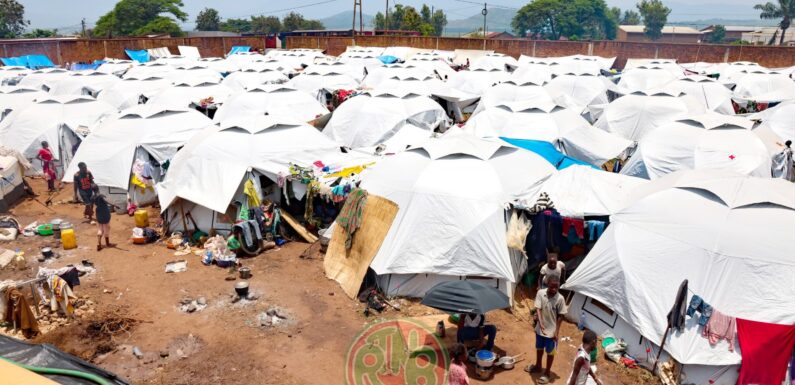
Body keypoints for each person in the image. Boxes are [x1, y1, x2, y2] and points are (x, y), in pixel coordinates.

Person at [527, 276, 567, 384]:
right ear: (547, 284)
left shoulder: (560, 298)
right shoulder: (540, 293)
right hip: (540, 330)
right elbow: (538, 309)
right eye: (552, 287)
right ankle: (538, 366)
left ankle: (547, 372)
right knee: (539, 348)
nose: (554, 289)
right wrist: (540, 323)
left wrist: (556, 331)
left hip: (552, 332)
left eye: (556, 287)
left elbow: (561, 316)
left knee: (550, 353)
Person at [92, 185, 117, 251]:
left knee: (100, 227)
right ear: (97, 188)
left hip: (98, 212)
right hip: (104, 212)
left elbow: (92, 204)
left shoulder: (92, 197)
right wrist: (114, 205)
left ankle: (98, 242)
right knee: (107, 227)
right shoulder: (100, 196)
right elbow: (106, 202)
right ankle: (107, 243)